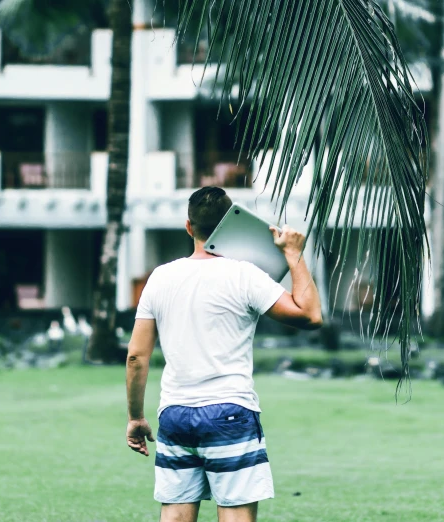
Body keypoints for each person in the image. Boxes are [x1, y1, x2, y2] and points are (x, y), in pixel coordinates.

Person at [125, 186, 322, 522]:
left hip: (174, 413)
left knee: (174, 515)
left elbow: (136, 357)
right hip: (229, 413)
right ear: (231, 224)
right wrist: (294, 254)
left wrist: (136, 417)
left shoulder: (160, 278)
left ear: (189, 227)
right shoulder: (244, 275)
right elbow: (310, 316)